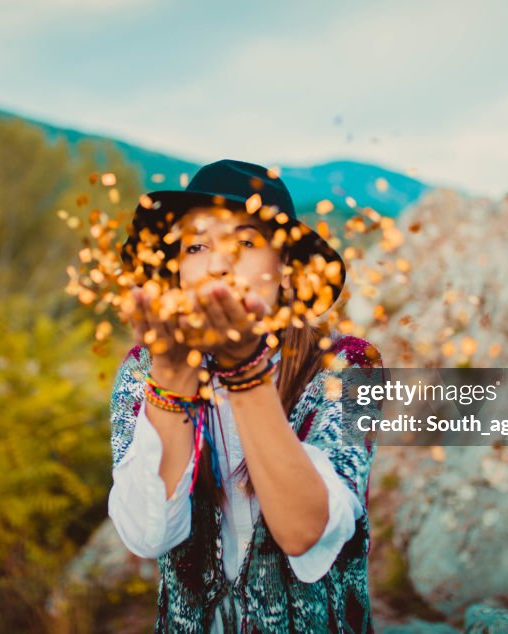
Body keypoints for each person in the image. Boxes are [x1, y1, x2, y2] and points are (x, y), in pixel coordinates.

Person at [107, 159, 382, 632]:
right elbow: (146, 535)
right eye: (196, 245)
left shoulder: (348, 366)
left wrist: (246, 373)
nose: (218, 263)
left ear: (289, 272)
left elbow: (302, 531)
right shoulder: (144, 368)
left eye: (246, 242)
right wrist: (169, 382)